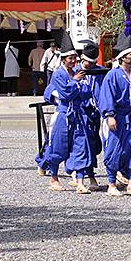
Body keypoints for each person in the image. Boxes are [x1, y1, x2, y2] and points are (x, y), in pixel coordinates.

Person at [99, 32, 131, 197]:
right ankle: (111, 183)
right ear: (122, 57)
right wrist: (109, 115)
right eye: (130, 54)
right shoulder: (112, 75)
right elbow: (106, 96)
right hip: (118, 117)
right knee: (115, 149)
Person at [43, 31, 92, 194]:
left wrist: (78, 85)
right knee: (58, 146)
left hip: (77, 114)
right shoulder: (58, 74)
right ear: (63, 59)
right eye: (70, 58)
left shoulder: (78, 72)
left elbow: (86, 92)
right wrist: (76, 83)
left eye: (75, 58)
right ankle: (54, 177)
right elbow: (65, 93)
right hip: (63, 114)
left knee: (80, 146)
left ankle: (80, 182)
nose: (74, 61)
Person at [75, 41, 104, 191]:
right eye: (87, 62)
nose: (89, 65)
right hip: (78, 113)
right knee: (80, 145)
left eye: (92, 63)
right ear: (81, 58)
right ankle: (86, 176)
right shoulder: (73, 71)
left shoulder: (100, 72)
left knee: (93, 145)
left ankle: (84, 174)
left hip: (94, 114)